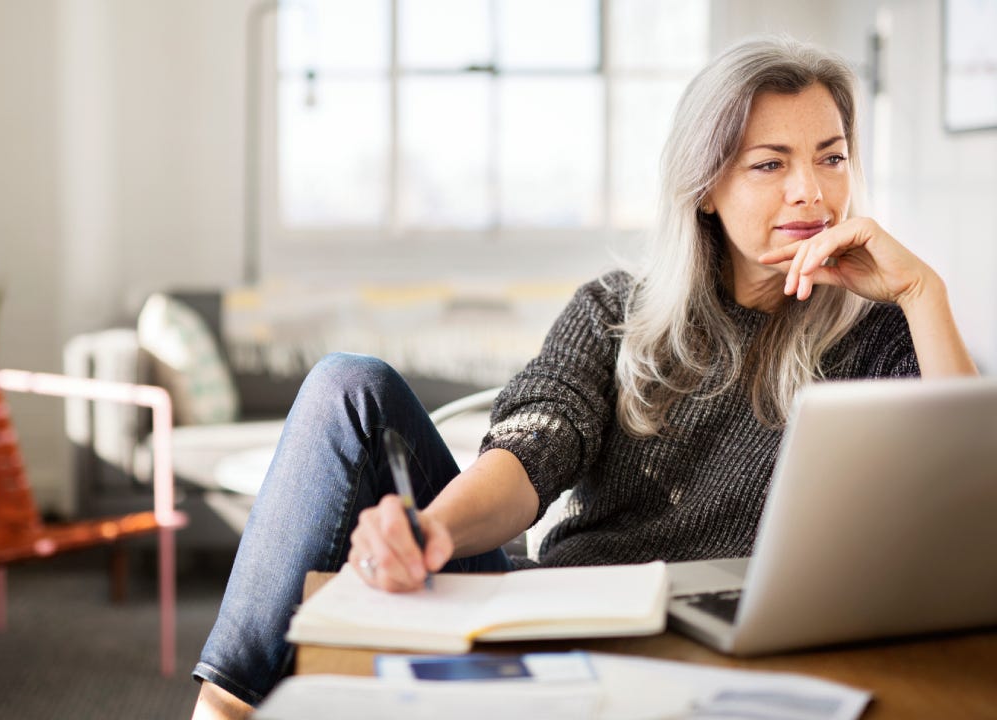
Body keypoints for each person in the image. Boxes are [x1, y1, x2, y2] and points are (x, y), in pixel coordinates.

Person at [190, 35, 977, 719]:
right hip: (569, 615)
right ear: (706, 187)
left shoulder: (881, 334)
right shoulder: (615, 311)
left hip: (739, 641)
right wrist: (435, 530)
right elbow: (529, 457)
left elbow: (970, 507)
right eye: (770, 163)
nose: (811, 190)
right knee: (345, 385)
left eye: (831, 157)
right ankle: (219, 709)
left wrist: (921, 293)